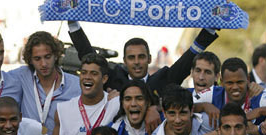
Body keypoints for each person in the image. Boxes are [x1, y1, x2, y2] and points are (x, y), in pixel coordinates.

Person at [68, 21, 218, 98]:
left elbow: (186, 61)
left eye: (141, 57)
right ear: (125, 61)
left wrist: (209, 30)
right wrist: (73, 23)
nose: (137, 62)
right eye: (132, 58)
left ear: (149, 59)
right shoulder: (113, 79)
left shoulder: (164, 81)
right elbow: (89, 56)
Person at [53, 53, 119, 135]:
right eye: (83, 73)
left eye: (93, 74)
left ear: (104, 79)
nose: (87, 77)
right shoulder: (63, 109)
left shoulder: (115, 103)